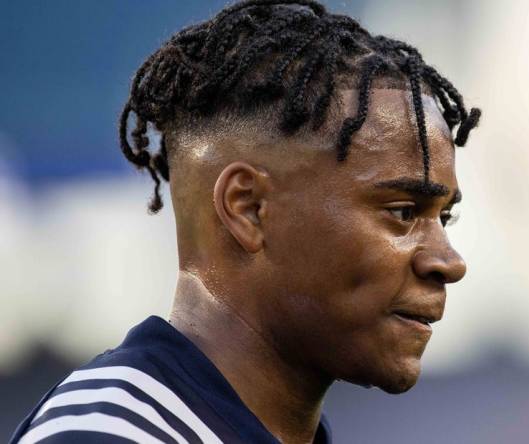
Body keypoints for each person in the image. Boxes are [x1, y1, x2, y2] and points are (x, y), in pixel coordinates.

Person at [11, 0, 480, 442]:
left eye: (445, 216)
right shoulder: (108, 434)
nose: (448, 262)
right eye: (403, 213)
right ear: (248, 208)